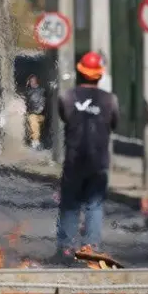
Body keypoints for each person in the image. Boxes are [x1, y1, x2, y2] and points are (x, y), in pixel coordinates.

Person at [55, 52, 119, 262]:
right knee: (94, 205)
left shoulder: (67, 97)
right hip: (98, 162)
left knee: (70, 204)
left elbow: (65, 117)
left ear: (79, 72)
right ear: (99, 75)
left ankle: (66, 248)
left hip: (74, 161)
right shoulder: (110, 100)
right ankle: (91, 246)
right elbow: (114, 123)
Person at [23, 74, 47, 151]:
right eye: (30, 81)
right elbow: (24, 101)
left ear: (37, 81)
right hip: (30, 114)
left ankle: (35, 142)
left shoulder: (42, 90)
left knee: (33, 119)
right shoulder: (28, 91)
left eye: (33, 81)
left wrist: (32, 112)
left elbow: (42, 106)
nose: (32, 82)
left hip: (40, 115)